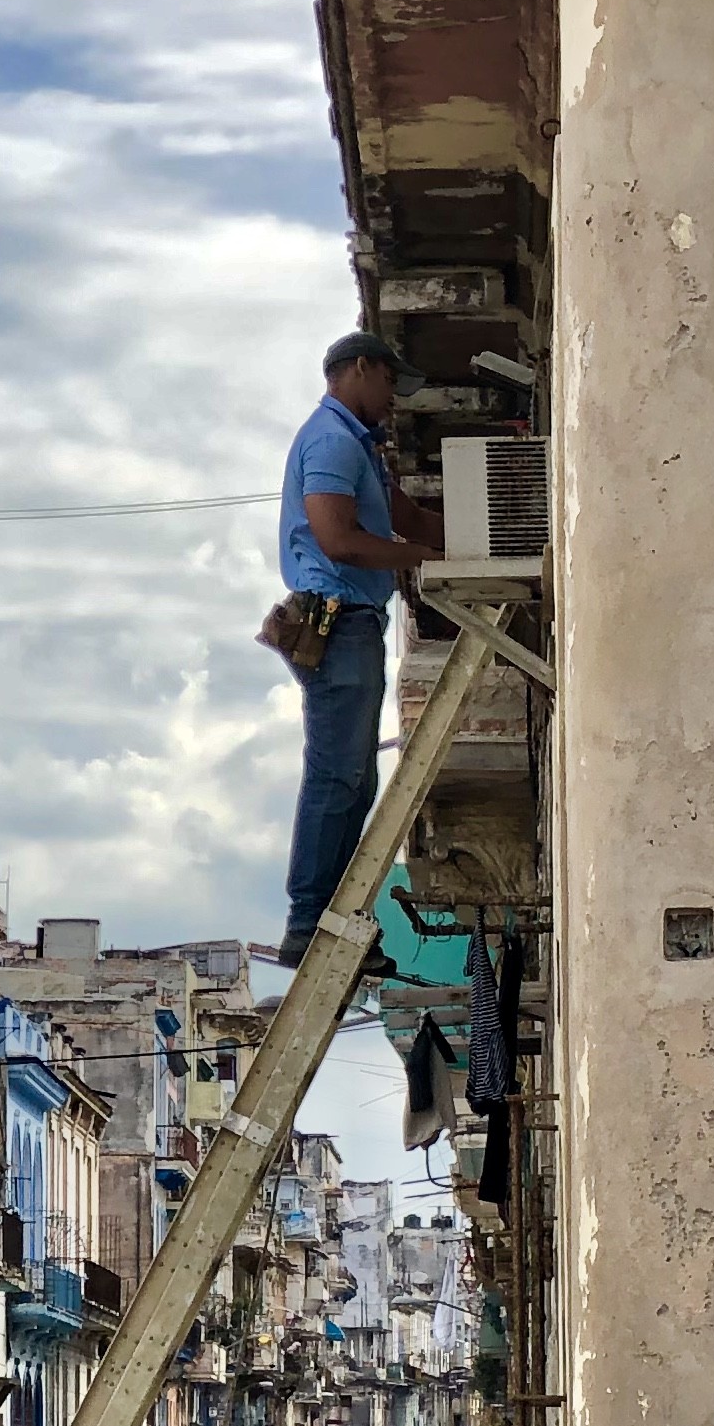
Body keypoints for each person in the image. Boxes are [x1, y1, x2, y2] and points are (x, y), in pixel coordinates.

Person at [276, 329, 442, 965]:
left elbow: (404, 518)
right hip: (336, 617)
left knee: (356, 777)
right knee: (337, 773)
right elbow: (338, 540)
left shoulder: (361, 446)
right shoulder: (330, 439)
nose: (394, 397)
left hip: (356, 620)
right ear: (361, 369)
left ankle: (334, 913)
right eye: (389, 382)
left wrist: (476, 538)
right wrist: (420, 558)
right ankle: (309, 921)